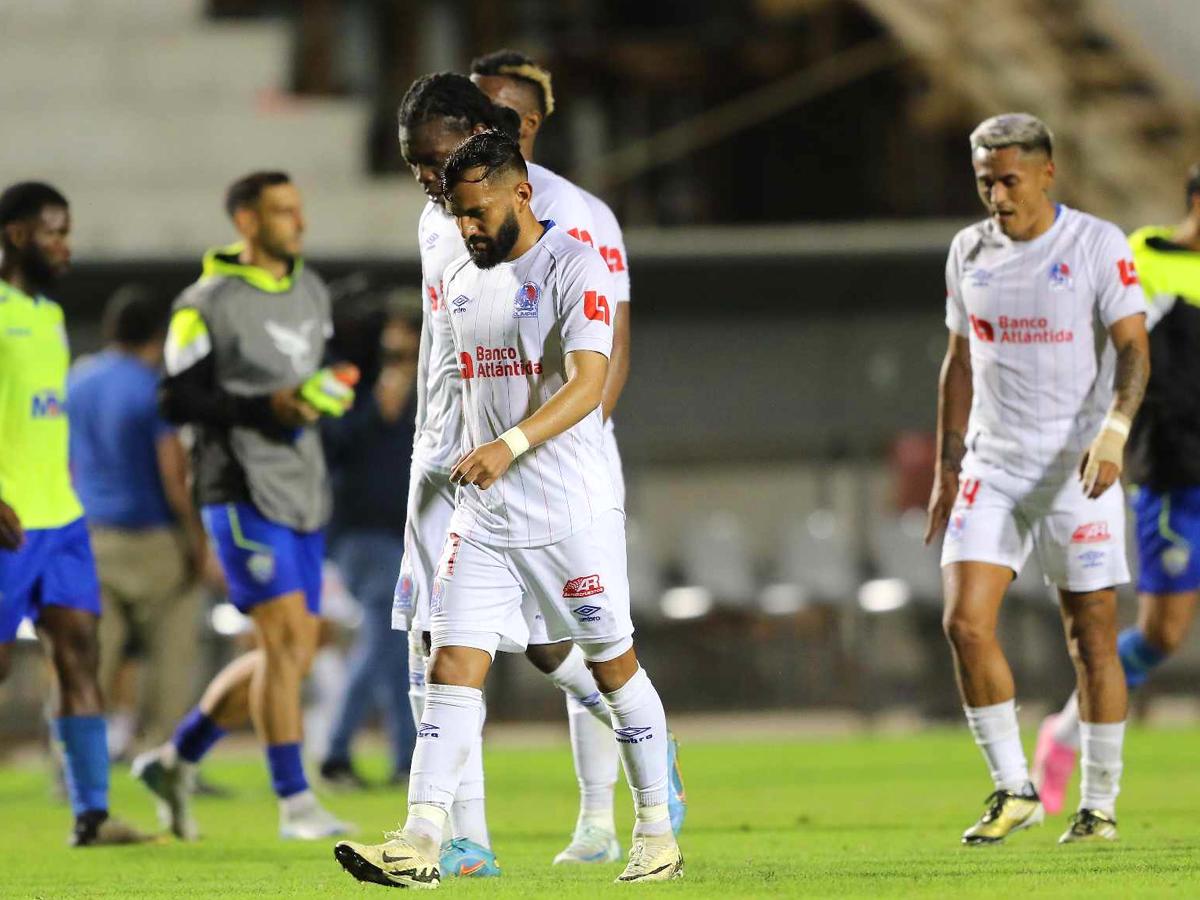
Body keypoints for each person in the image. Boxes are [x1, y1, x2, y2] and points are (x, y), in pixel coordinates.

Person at [335, 129, 683, 889]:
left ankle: (655, 829)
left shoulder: (574, 263)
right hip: (484, 515)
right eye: (456, 215)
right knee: (451, 662)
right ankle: (421, 835)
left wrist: (511, 445)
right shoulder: (462, 277)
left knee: (614, 667)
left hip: (569, 511)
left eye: (477, 211)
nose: (466, 227)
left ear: (520, 194)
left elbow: (589, 383)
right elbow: (468, 392)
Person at [925, 113, 1150, 845]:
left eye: (1010, 180)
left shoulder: (1094, 245)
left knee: (1090, 640)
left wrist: (1113, 434)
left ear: (1047, 173)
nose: (997, 195)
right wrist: (946, 465)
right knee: (963, 621)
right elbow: (959, 362)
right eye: (985, 181)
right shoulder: (968, 251)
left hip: (1076, 468)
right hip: (993, 464)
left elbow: (1134, 353)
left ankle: (1100, 805)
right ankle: (1013, 787)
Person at [472, 49, 674, 862]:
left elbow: (609, 352)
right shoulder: (456, 211)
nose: (489, 125)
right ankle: (646, 745)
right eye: (477, 111)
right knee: (533, 641)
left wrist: (559, 444)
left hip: (563, 456)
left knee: (592, 635)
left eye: (504, 114)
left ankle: (600, 821)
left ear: (531, 125)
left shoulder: (579, 213)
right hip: (486, 461)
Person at [131, 171, 353, 841]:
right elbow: (174, 398)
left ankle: (175, 759)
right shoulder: (205, 302)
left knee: (296, 651)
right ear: (248, 222)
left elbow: (311, 375)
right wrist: (263, 409)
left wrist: (325, 393)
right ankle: (295, 804)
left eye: (300, 209)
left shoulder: (311, 290)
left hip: (302, 487)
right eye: (284, 212)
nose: (300, 223)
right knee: (284, 642)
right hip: (237, 487)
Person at [1035, 163, 1200, 812]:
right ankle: (1065, 732)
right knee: (1162, 636)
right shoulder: (1145, 258)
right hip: (1175, 473)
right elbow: (1117, 353)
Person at [0, 181, 149, 846]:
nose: (66, 244)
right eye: (54, 231)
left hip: (61, 522)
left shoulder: (50, 316)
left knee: (80, 654)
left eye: (67, 231)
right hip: (8, 522)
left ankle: (90, 814)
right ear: (15, 235)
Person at [68, 285, 213, 756]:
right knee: (170, 656)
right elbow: (173, 476)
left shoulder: (77, 381)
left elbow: (64, 463)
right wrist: (197, 542)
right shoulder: (153, 388)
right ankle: (162, 757)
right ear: (158, 336)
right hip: (153, 542)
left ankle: (70, 767)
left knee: (90, 660)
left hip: (91, 538)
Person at [319, 305, 420, 788]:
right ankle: (336, 751)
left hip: (408, 534)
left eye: (407, 350)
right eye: (391, 350)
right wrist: (374, 410)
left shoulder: (433, 390)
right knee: (386, 634)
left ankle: (407, 759)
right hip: (360, 532)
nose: (398, 360)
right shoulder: (351, 383)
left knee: (394, 643)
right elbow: (328, 443)